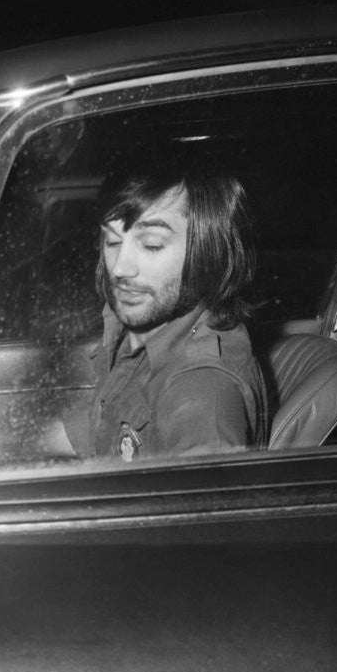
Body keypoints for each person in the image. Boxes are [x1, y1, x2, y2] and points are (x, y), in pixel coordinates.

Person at [70, 164, 269, 461]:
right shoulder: (144, 330)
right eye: (112, 241)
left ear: (207, 250)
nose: (120, 268)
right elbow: (91, 429)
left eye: (151, 245)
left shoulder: (203, 391)